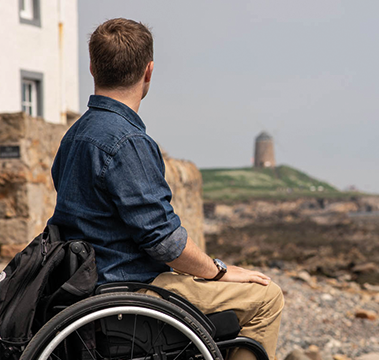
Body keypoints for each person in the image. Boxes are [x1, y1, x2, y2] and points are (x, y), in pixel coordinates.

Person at [48, 18, 283, 360]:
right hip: (129, 289)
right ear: (149, 72)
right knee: (267, 297)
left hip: (83, 288)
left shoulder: (74, 136)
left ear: (92, 67)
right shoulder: (127, 141)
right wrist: (221, 271)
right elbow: (163, 241)